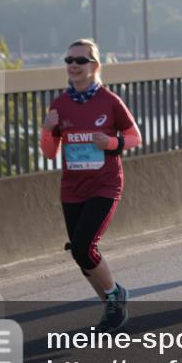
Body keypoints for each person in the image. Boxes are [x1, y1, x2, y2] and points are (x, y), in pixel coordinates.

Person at [40, 39, 141, 331]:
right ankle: (110, 306)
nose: (73, 65)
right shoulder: (59, 104)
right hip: (72, 187)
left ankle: (114, 295)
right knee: (79, 254)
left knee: (85, 246)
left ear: (94, 66)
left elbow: (135, 138)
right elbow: (49, 153)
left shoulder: (109, 101)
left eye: (80, 60)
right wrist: (47, 129)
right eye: (69, 60)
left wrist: (110, 142)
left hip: (105, 184)